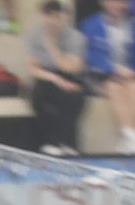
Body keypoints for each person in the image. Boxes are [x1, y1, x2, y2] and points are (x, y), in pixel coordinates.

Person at [81, 0, 135, 150]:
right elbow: (90, 59)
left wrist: (133, 71)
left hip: (128, 76)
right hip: (100, 75)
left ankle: (128, 139)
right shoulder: (90, 25)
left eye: (120, 2)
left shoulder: (133, 26)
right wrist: (113, 69)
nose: (116, 5)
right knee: (113, 87)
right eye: (112, 2)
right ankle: (133, 137)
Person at [27, 0, 90, 152]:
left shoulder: (76, 37)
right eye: (49, 16)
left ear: (64, 17)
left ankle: (68, 144)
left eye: (57, 17)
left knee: (74, 97)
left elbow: (72, 67)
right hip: (47, 76)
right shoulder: (35, 35)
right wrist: (56, 80)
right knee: (39, 97)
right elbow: (33, 68)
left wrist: (52, 46)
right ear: (43, 16)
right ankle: (51, 143)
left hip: (71, 76)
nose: (53, 21)